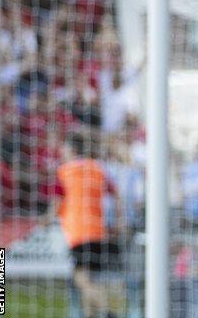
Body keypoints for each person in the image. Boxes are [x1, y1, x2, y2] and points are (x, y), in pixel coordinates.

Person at [53, 130, 120, 318]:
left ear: (71, 149)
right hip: (98, 231)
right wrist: (118, 221)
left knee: (80, 279)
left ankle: (109, 312)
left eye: (64, 147)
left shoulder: (64, 171)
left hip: (78, 232)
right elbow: (116, 194)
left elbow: (57, 202)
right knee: (88, 279)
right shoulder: (97, 168)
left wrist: (46, 218)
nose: (61, 150)